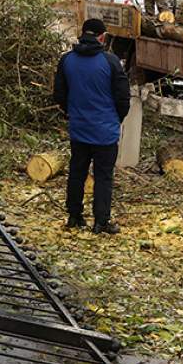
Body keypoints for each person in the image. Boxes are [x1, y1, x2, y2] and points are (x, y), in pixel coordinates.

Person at [53, 18, 131, 234]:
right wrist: (116, 119)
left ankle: (74, 216)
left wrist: (73, 113)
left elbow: (59, 94)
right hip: (105, 132)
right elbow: (123, 98)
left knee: (77, 172)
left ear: (82, 34)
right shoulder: (111, 62)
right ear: (102, 37)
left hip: (79, 130)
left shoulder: (67, 60)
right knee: (103, 177)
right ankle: (101, 221)